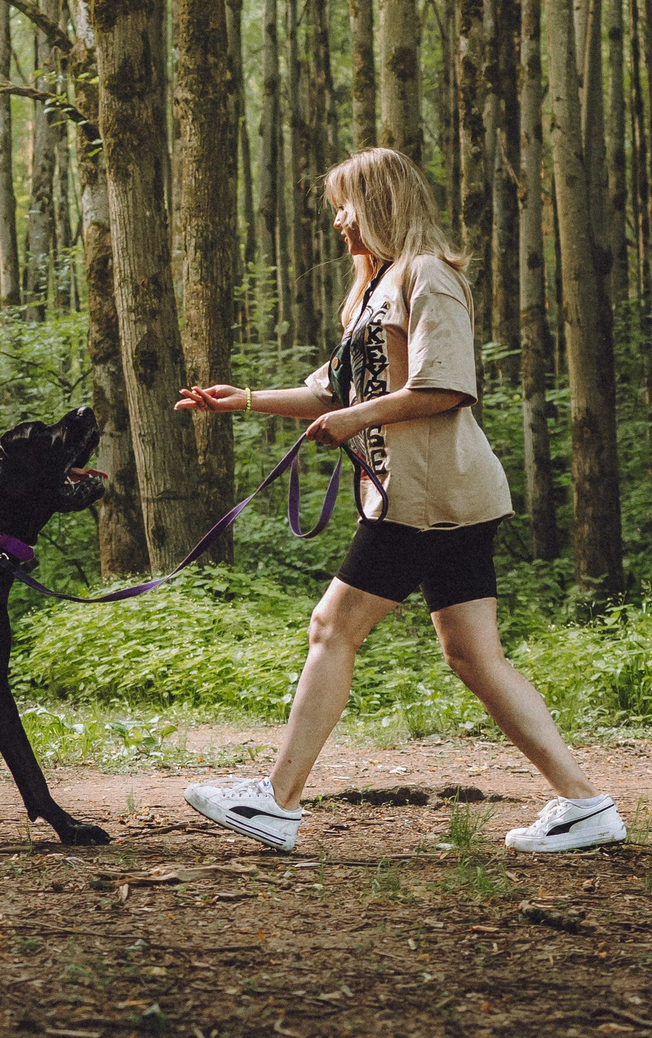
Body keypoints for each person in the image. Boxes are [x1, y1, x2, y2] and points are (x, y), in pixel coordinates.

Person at [171, 146, 622, 856]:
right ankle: (584, 803)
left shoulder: (428, 276)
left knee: (331, 627)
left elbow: (449, 385)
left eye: (344, 204)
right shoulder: (371, 291)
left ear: (379, 202)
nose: (338, 221)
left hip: (427, 495)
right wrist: (244, 400)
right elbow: (331, 391)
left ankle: (277, 802)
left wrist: (358, 419)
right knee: (474, 655)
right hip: (435, 496)